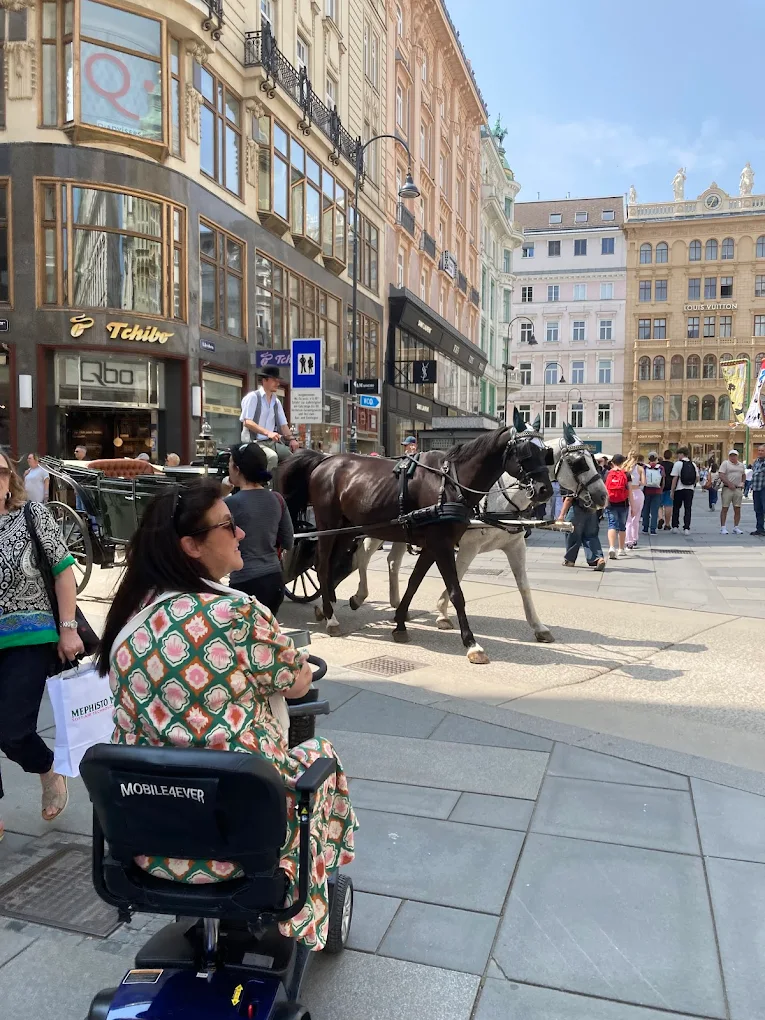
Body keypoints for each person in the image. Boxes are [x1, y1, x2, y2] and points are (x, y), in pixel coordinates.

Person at [96, 479, 357, 951]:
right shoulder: (240, 616)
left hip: (146, 842)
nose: (240, 535)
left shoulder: (129, 619)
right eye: (228, 526)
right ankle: (306, 909)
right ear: (191, 546)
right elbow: (298, 681)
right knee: (320, 757)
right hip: (245, 845)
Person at [0, 450, 85, 841]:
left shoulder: (32, 516)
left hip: (30, 638)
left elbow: (63, 572)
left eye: (1, 474)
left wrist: (68, 628)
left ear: (11, 481)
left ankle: (47, 768)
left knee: (13, 731)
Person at [225, 442, 294, 615]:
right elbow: (288, 541)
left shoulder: (229, 504)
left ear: (237, 469)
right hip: (274, 581)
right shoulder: (277, 499)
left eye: (230, 463)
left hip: (244, 583)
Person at [240, 366, 299, 463]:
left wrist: (292, 439)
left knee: (294, 457)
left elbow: (283, 425)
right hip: (253, 443)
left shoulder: (276, 402)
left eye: (278, 380)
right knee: (272, 457)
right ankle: (267, 479)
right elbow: (247, 422)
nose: (278, 383)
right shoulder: (253, 397)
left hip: (271, 443)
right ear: (264, 380)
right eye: (274, 380)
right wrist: (268, 433)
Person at [558, 488, 606, 571]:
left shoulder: (575, 482)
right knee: (591, 536)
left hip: (577, 510)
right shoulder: (593, 479)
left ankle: (570, 560)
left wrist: (561, 515)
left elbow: (569, 499)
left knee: (572, 534)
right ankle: (598, 558)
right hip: (592, 510)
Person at [605, 453, 630, 559]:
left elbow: (604, 490)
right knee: (622, 526)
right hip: (623, 503)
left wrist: (605, 503)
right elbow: (630, 492)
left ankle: (611, 547)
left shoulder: (607, 474)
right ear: (623, 463)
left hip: (611, 502)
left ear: (612, 463)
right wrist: (632, 505)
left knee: (612, 525)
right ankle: (621, 549)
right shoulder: (626, 474)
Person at [670, 446, 699, 533]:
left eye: (678, 454)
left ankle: (675, 526)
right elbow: (697, 477)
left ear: (681, 454)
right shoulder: (693, 464)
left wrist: (672, 491)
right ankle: (686, 527)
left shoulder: (678, 464)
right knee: (688, 508)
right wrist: (692, 484)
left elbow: (675, 478)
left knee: (676, 508)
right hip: (689, 489)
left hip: (679, 489)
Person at [718, 449, 745, 535]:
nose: (733, 457)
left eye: (734, 455)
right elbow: (721, 474)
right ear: (729, 456)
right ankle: (723, 527)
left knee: (737, 508)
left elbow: (743, 474)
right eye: (731, 455)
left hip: (738, 489)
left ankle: (736, 527)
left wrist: (742, 482)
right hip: (727, 488)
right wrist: (729, 484)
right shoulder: (725, 463)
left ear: (737, 456)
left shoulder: (741, 465)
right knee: (725, 508)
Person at [623, 452, 645, 549]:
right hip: (637, 493)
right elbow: (644, 482)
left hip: (627, 493)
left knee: (628, 519)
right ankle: (635, 538)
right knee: (636, 518)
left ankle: (628, 541)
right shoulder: (640, 468)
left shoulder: (624, 467)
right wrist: (637, 481)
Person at [641, 453, 665, 535]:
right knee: (654, 511)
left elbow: (642, 479)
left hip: (646, 491)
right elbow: (663, 480)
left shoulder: (644, 467)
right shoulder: (661, 468)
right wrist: (661, 489)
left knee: (645, 510)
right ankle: (653, 529)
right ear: (656, 458)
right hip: (657, 491)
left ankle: (645, 528)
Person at [750, 443, 765, 535]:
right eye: (759, 450)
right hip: (756, 488)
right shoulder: (756, 461)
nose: (760, 452)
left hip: (764, 488)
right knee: (758, 509)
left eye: (762, 451)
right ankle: (759, 528)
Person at [658, 450, 674, 530]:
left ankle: (660, 518)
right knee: (668, 505)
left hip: (659, 487)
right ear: (671, 456)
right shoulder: (673, 465)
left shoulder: (659, 465)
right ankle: (667, 524)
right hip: (669, 487)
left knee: (659, 505)